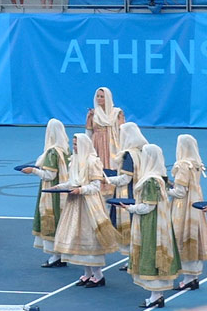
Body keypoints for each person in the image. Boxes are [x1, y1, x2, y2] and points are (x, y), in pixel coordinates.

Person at [52, 133, 120, 287]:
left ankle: (98, 275)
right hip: (75, 203)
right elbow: (72, 181)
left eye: (76, 144)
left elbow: (96, 186)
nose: (73, 147)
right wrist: (60, 187)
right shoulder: (74, 160)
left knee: (90, 238)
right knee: (78, 237)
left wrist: (80, 190)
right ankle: (87, 273)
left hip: (89, 205)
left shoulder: (92, 161)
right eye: (73, 144)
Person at [122, 144, 181, 308]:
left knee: (151, 252)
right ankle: (157, 295)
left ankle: (155, 296)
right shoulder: (159, 178)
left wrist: (130, 208)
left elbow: (148, 206)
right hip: (160, 222)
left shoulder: (150, 181)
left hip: (150, 223)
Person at [21, 118, 70, 268]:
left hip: (52, 193)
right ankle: (61, 254)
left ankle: (56, 256)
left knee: (52, 221)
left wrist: (33, 171)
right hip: (63, 193)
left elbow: (49, 175)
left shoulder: (52, 152)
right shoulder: (66, 150)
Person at [105, 122, 148, 265]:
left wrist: (106, 179)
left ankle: (134, 258)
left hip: (129, 194)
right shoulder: (143, 150)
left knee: (131, 225)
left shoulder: (129, 155)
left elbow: (125, 178)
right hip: (140, 191)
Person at [168, 135, 207, 292]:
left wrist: (164, 190)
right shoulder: (196, 164)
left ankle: (188, 278)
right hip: (196, 201)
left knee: (182, 236)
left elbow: (180, 192)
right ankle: (193, 277)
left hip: (183, 206)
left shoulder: (183, 165)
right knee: (194, 235)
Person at [85, 87, 124, 193]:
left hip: (112, 144)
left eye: (102, 96)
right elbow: (88, 132)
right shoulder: (93, 114)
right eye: (97, 96)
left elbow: (122, 131)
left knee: (111, 164)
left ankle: (112, 188)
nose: (99, 99)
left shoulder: (117, 113)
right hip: (97, 144)